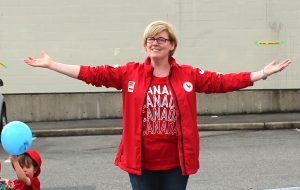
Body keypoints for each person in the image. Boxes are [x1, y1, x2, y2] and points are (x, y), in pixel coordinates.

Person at [24, 20, 291, 190]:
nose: (154, 43)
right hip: (141, 163)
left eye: (161, 39)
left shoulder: (187, 74)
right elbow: (94, 73)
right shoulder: (130, 73)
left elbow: (221, 81)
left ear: (172, 45)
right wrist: (52, 64)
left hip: (176, 163)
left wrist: (261, 73)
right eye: (150, 39)